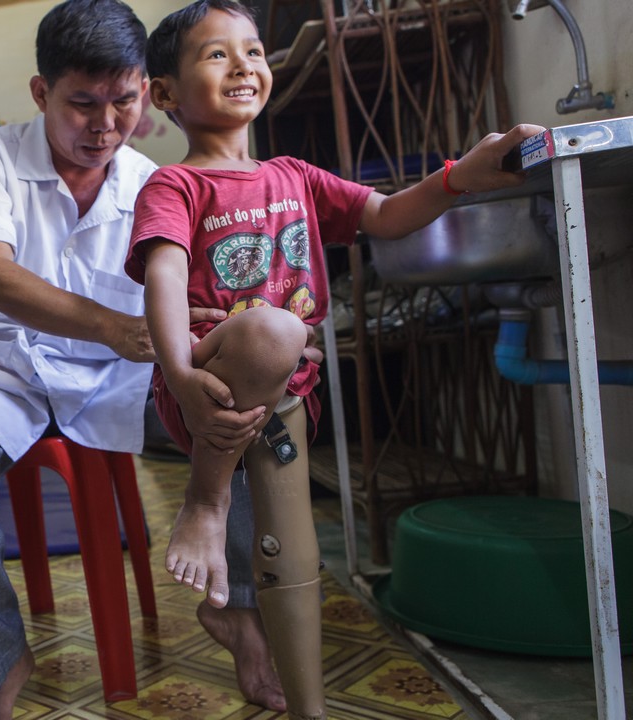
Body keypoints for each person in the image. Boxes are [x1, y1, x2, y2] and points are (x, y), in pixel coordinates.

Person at [126, 3, 544, 717]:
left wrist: (462, 175)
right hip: (212, 382)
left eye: (253, 51)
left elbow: (384, 215)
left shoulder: (295, 175)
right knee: (275, 332)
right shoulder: (176, 186)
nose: (243, 66)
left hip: (292, 388)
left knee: (291, 541)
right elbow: (163, 279)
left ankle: (304, 700)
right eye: (215, 54)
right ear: (165, 94)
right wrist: (179, 376)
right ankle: (204, 497)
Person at [0, 1, 186, 716]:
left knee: (251, 418)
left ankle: (240, 614)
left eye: (125, 102)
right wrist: (114, 326)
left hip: (120, 378)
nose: (106, 125)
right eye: (82, 104)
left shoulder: (156, 184)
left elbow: (178, 304)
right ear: (40, 92)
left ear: (148, 93)